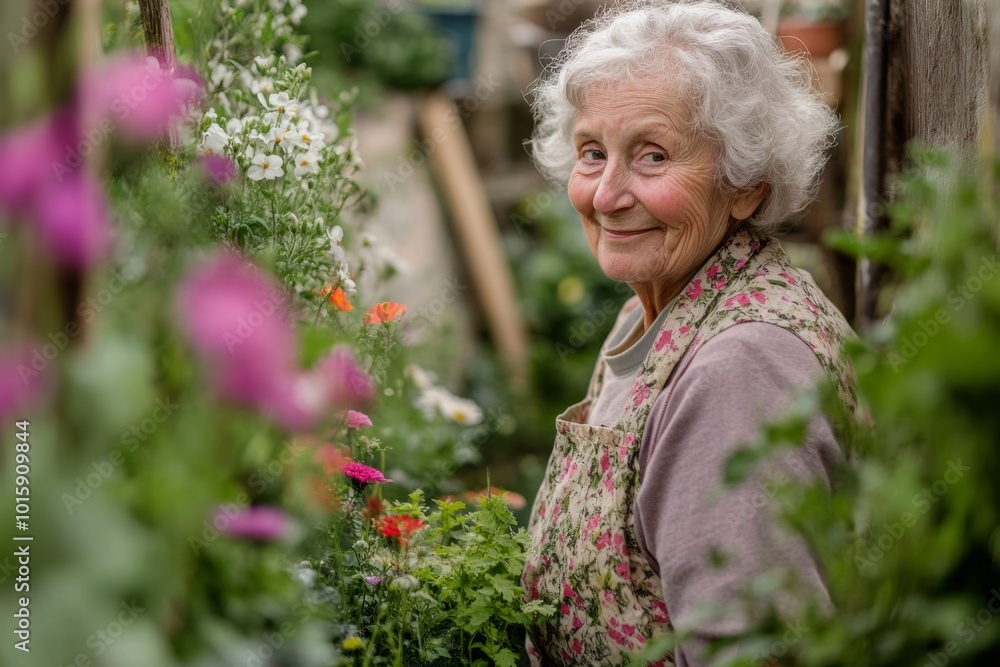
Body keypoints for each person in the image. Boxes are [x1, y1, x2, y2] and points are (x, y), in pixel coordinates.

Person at [520, 1, 857, 665]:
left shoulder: (740, 372)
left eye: (652, 156)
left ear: (745, 186)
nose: (606, 195)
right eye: (593, 153)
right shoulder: (654, 311)